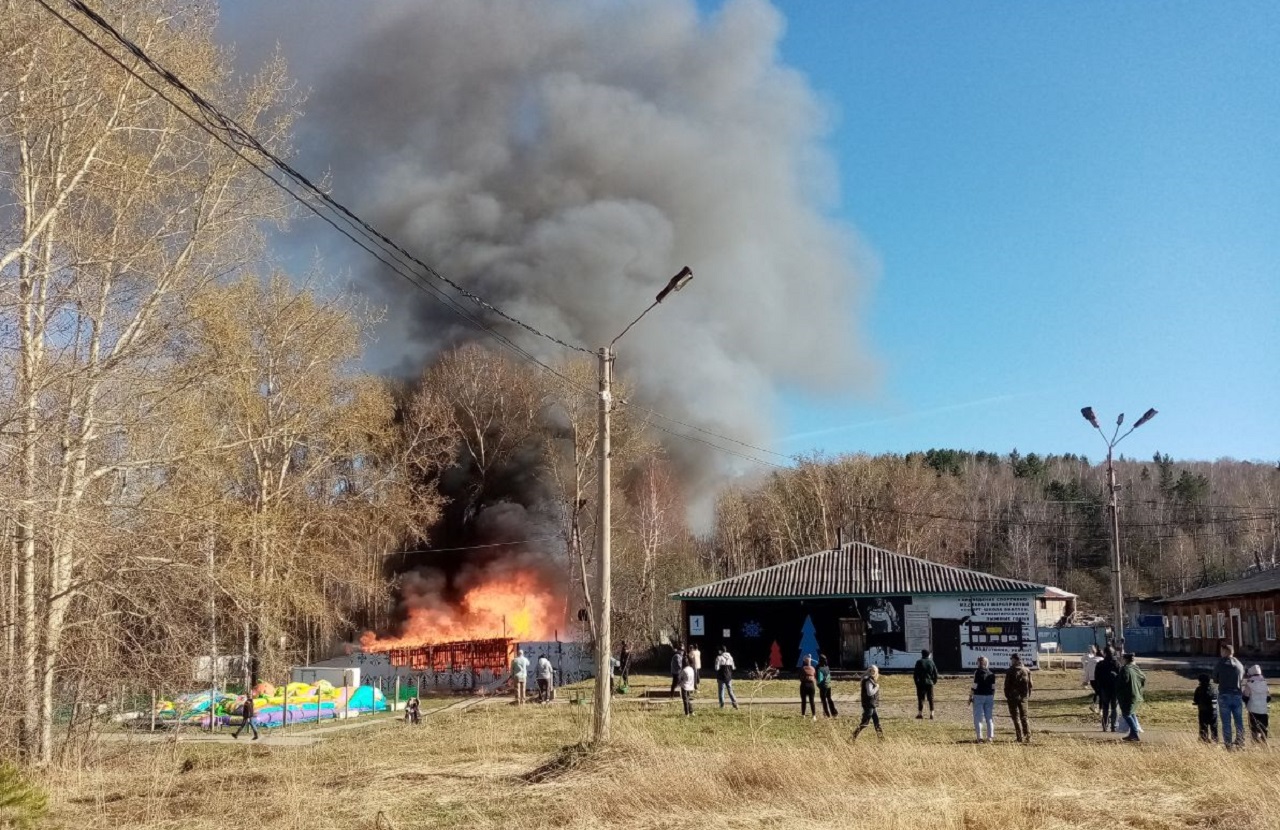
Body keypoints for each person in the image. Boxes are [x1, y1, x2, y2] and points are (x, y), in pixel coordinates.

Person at [1213, 642, 1246, 749]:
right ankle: (1240, 740)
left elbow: (1215, 678)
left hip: (1224, 694)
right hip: (1237, 694)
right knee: (1239, 720)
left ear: (1224, 651)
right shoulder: (1239, 664)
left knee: (1226, 721)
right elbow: (1241, 678)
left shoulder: (1220, 663)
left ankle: (1228, 743)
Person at [1116, 652, 1146, 742]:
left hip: (1128, 696)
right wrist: (1139, 688)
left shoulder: (1125, 669)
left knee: (1126, 714)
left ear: (1125, 660)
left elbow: (1122, 682)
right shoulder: (1136, 668)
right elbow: (1143, 677)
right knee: (1132, 713)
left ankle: (1135, 733)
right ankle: (1132, 733)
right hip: (1137, 695)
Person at [1004, 653, 1033, 744]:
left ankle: (1019, 737)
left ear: (1015, 660)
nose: (1011, 661)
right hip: (1023, 697)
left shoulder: (1010, 671)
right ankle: (1028, 736)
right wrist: (1028, 695)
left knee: (1015, 718)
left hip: (1012, 697)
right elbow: (1031, 685)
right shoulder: (1027, 670)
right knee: (1024, 717)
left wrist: (1008, 695)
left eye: (1012, 659)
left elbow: (1006, 686)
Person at [969, 656, 996, 743]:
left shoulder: (977, 672)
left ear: (979, 663)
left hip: (978, 696)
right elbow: (993, 688)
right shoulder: (991, 674)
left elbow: (974, 685)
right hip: (989, 696)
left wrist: (970, 697)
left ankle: (979, 737)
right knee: (989, 717)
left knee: (978, 717)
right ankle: (990, 737)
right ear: (986, 663)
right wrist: (992, 696)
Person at [851, 665, 883, 741]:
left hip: (871, 704)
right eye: (872, 671)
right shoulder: (868, 680)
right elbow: (869, 692)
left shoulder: (869, 679)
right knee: (865, 723)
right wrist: (877, 687)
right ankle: (853, 736)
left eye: (875, 671)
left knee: (876, 722)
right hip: (869, 704)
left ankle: (881, 739)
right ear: (869, 671)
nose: (874, 673)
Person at [1095, 646, 1121, 732]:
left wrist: (1098, 689)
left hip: (1104, 688)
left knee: (1105, 707)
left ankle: (1104, 725)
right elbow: (1120, 677)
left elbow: (1096, 678)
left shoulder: (1100, 664)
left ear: (1104, 654)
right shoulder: (1117, 664)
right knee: (1114, 707)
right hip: (1115, 689)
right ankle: (1114, 726)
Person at [1243, 664, 1270, 745]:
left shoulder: (1249, 683)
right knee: (1264, 727)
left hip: (1252, 708)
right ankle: (1264, 742)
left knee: (1253, 727)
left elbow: (1245, 697)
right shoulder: (1264, 682)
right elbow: (1268, 698)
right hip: (1263, 709)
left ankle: (1254, 742)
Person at [1193, 674, 1219, 743]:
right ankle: (1215, 740)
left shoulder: (1199, 689)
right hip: (1213, 711)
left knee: (1203, 727)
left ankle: (1203, 739)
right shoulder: (1214, 688)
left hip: (1203, 711)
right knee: (1214, 727)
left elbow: (1195, 700)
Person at [913, 649, 938, 719]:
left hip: (920, 682)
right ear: (928, 655)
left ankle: (920, 713)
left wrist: (916, 683)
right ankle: (931, 713)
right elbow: (935, 673)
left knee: (920, 698)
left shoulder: (919, 662)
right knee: (931, 698)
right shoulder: (931, 662)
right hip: (929, 683)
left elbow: (915, 674)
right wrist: (934, 681)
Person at [715, 645, 739, 710]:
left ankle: (722, 705)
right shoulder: (730, 657)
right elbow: (733, 667)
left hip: (721, 676)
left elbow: (716, 668)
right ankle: (735, 703)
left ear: (721, 651)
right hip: (729, 676)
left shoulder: (719, 657)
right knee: (730, 690)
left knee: (721, 690)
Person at [1081, 645, 1102, 712]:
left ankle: (1095, 706)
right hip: (1100, 679)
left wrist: (1085, 681)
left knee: (1098, 693)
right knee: (1100, 693)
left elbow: (1087, 671)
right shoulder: (1102, 661)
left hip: (1092, 680)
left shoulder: (1091, 660)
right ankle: (1099, 709)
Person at [799, 655, 818, 720]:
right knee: (812, 701)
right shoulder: (813, 668)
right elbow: (815, 676)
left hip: (804, 685)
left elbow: (800, 678)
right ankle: (814, 716)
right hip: (811, 685)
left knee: (803, 701)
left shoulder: (802, 668)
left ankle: (803, 715)